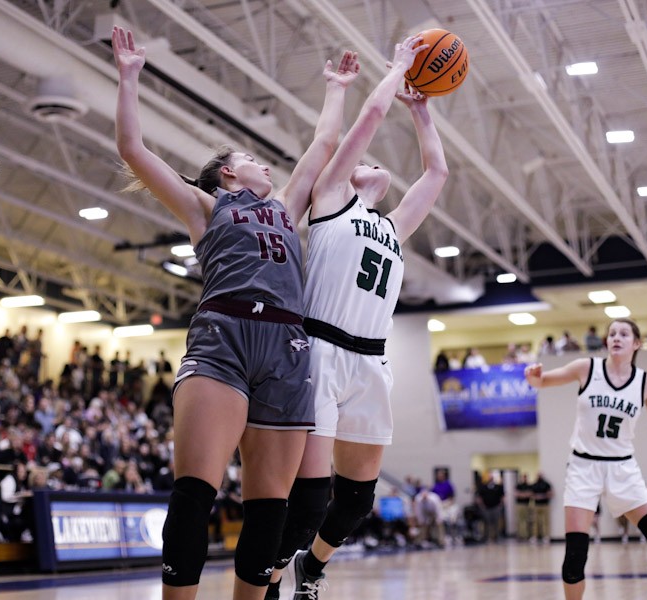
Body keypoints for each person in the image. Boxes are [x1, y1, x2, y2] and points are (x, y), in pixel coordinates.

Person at [112, 25, 359, 600]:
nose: (266, 166)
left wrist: (337, 88)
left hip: (286, 345)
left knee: (271, 508)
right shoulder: (206, 206)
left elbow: (322, 146)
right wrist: (128, 80)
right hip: (224, 334)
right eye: (251, 158)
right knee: (195, 494)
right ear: (227, 172)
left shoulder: (287, 205)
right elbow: (132, 150)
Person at [263, 33, 448, 600]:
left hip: (372, 360)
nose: (372, 163)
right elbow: (369, 114)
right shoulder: (332, 198)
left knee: (357, 501)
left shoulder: (392, 228)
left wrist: (421, 111)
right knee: (311, 497)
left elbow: (436, 175)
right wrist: (398, 68)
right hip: (319, 351)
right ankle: (265, 582)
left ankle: (310, 568)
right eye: (366, 159)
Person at [525, 317, 647, 600]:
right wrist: (534, 376)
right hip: (583, 466)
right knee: (575, 557)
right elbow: (544, 381)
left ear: (636, 343)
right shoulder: (587, 368)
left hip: (623, 468)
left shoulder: (646, 383)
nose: (616, 338)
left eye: (623, 334)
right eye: (612, 334)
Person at [531, 472, 553, 544]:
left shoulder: (546, 484)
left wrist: (542, 496)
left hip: (545, 505)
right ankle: (535, 536)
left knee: (545, 521)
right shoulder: (534, 484)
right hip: (536, 505)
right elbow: (531, 495)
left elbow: (551, 494)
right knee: (535, 521)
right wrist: (536, 497)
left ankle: (546, 536)